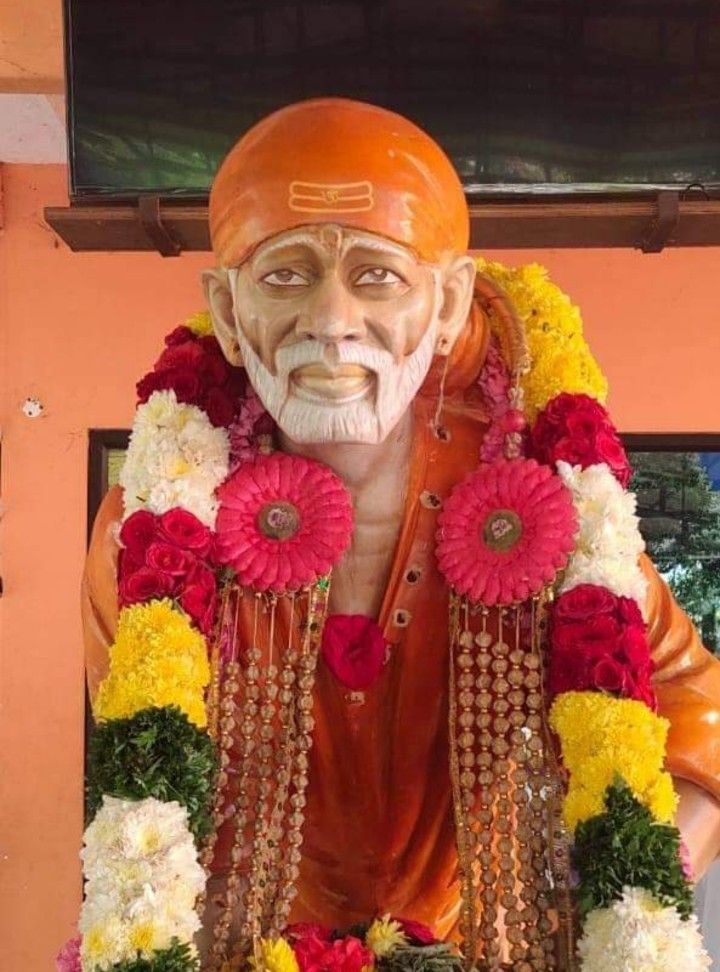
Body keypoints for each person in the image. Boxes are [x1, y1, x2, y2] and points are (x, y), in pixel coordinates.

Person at [82, 98, 720, 965]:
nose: (332, 320)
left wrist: (625, 889)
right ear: (227, 311)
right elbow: (151, 772)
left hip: (486, 943)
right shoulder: (157, 528)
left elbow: (692, 711)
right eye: (284, 275)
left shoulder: (541, 497)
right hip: (250, 945)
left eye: (377, 276)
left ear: (449, 300)